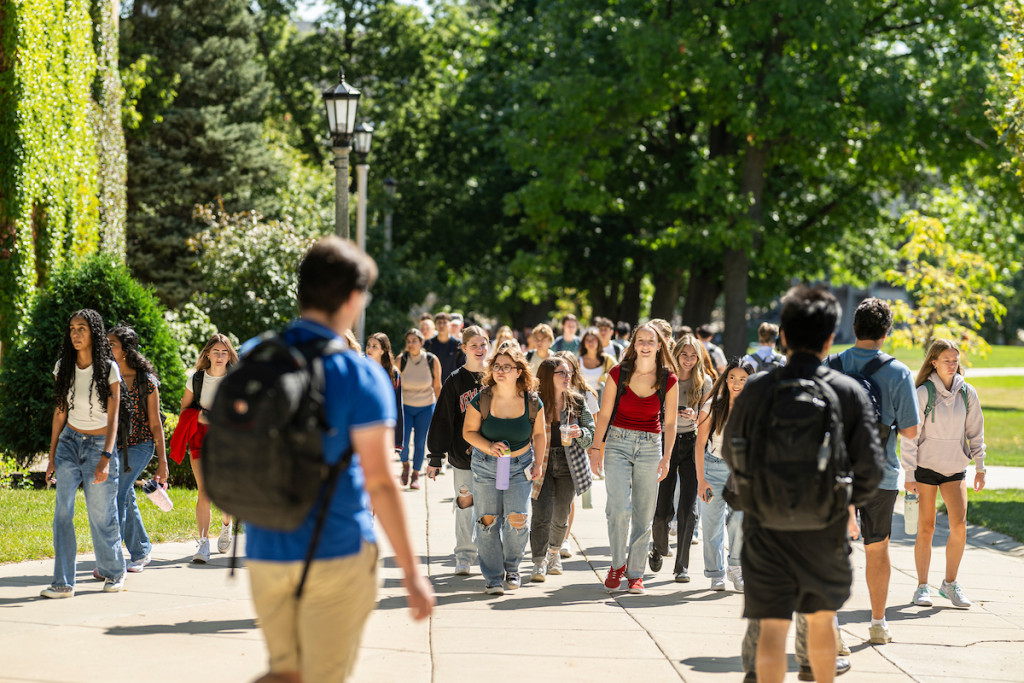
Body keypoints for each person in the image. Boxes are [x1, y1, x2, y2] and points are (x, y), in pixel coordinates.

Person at [244, 236, 433, 683]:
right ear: (351, 298)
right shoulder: (358, 373)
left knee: (285, 674)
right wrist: (410, 572)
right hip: (337, 548)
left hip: (265, 547)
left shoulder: (255, 354)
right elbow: (381, 483)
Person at [725, 285, 884, 683]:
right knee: (820, 621)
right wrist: (842, 505)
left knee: (772, 628)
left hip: (765, 527)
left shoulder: (758, 388)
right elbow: (871, 470)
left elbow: (731, 451)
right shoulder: (847, 391)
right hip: (825, 529)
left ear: (782, 335)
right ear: (831, 338)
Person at [830, 298, 919, 644]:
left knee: (833, 548)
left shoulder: (831, 364)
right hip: (880, 475)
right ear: (886, 332)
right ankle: (878, 623)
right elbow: (911, 431)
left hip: (835, 473)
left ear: (854, 329)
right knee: (877, 547)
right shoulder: (898, 372)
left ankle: (832, 623)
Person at [41, 309, 125, 598]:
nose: (76, 334)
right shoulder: (63, 367)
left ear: (94, 333)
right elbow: (59, 411)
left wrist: (106, 456)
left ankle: (114, 572)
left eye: (82, 328)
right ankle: (63, 583)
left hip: (98, 445)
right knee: (62, 511)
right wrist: (51, 455)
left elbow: (114, 417)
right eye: (72, 328)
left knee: (101, 514)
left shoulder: (109, 370)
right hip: (68, 443)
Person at [591, 323, 679, 595]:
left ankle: (636, 573)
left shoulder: (669, 379)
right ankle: (617, 564)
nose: (645, 345)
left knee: (643, 511)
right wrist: (596, 448)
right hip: (617, 442)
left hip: (651, 446)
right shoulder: (619, 373)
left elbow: (672, 423)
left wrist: (666, 457)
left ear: (659, 345)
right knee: (618, 507)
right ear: (633, 344)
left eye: (650, 341)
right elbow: (604, 414)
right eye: (640, 340)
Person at [903, 338, 986, 609]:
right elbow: (910, 437)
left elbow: (976, 432)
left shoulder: (967, 393)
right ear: (934, 362)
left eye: (956, 360)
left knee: (959, 527)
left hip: (955, 468)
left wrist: (980, 467)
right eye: (947, 360)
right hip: (925, 469)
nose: (952, 365)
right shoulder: (924, 392)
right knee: (926, 528)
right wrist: (909, 472)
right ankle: (921, 587)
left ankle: (950, 584)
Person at [463, 341, 546, 594]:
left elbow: (540, 435)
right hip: (487, 464)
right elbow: (468, 432)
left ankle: (512, 568)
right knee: (487, 520)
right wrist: (489, 447)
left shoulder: (533, 401)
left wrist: (539, 464)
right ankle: (493, 577)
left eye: (507, 367)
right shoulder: (483, 398)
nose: (501, 370)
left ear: (519, 371)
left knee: (517, 518)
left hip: (520, 465)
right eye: (497, 366)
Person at [426, 326, 490, 575]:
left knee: (493, 508)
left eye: (483, 344)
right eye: (473, 345)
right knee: (465, 503)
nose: (479, 349)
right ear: (463, 348)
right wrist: (435, 456)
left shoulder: (496, 377)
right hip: (463, 455)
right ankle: (464, 555)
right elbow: (443, 419)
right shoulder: (455, 380)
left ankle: (491, 555)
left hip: (497, 457)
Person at [649, 334, 712, 582]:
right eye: (683, 355)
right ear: (676, 355)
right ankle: (658, 547)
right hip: (666, 443)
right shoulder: (665, 379)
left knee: (689, 508)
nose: (688, 360)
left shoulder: (704, 382)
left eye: (693, 355)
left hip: (691, 444)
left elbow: (706, 418)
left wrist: (694, 416)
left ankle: (682, 566)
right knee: (663, 506)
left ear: (698, 358)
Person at [108, 324, 169, 574]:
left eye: (112, 344)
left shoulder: (146, 381)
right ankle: (142, 551)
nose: (106, 348)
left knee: (118, 493)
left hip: (141, 444)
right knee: (126, 495)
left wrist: (163, 462)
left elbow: (155, 424)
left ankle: (110, 558)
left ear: (125, 350)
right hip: (116, 445)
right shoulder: (107, 376)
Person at [530, 357, 595, 582]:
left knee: (561, 513)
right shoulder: (534, 401)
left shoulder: (576, 401)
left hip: (570, 463)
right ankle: (539, 561)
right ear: (549, 377)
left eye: (569, 373)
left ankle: (554, 554)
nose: (568, 377)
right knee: (540, 512)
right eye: (562, 373)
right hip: (542, 461)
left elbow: (591, 431)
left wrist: (582, 434)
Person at [176, 333, 238, 563]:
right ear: (207, 354)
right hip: (200, 437)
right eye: (216, 352)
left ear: (230, 355)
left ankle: (226, 524)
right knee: (204, 490)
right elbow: (185, 411)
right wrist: (203, 417)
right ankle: (203, 544)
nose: (220, 356)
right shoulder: (196, 379)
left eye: (225, 352)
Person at [694, 357, 752, 592]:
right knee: (711, 524)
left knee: (739, 519)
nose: (736, 383)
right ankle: (716, 572)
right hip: (713, 467)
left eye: (743, 379)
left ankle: (736, 568)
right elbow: (699, 444)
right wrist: (701, 479)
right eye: (732, 378)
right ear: (725, 379)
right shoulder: (713, 406)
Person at [398, 328, 443, 489]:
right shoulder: (401, 360)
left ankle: (416, 474)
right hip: (405, 407)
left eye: (414, 341)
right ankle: (405, 465)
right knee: (401, 442)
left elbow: (437, 386)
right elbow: (392, 384)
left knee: (419, 442)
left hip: (426, 406)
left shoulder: (431, 360)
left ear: (421, 342)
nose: (410, 344)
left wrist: (441, 409)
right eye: (408, 341)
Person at [365, 333, 404, 454]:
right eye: (368, 345)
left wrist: (398, 440)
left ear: (383, 350)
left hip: (382, 425)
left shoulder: (393, 373)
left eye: (374, 346)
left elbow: (397, 405)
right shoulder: (361, 367)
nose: (369, 349)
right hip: (362, 423)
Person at [424, 312, 466, 381]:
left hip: (452, 385)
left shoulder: (457, 345)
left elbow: (462, 366)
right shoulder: (428, 344)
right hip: (432, 385)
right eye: (439, 322)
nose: (442, 325)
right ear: (435, 325)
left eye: (444, 322)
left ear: (450, 324)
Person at [577, 327, 617, 398]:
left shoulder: (607, 359)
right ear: (584, 342)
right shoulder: (578, 361)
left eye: (593, 340)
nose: (590, 343)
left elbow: (618, 374)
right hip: (584, 398)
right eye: (587, 340)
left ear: (598, 342)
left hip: (604, 398)